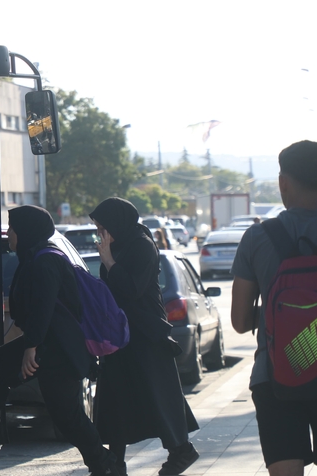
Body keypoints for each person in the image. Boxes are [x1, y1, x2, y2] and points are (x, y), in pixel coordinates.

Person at [0, 205, 122, 476]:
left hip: (58, 350)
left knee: (68, 417)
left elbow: (44, 308)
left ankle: (106, 465)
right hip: (50, 346)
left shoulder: (45, 260)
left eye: (13, 228)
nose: (10, 235)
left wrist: (31, 347)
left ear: (26, 230)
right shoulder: (34, 257)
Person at [90, 198, 199, 476]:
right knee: (117, 398)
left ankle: (181, 452)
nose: (100, 234)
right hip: (121, 335)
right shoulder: (120, 245)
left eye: (103, 227)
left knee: (158, 396)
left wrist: (109, 261)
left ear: (117, 223)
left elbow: (131, 289)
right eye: (98, 228)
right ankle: (115, 463)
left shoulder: (141, 245)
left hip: (146, 334)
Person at [230, 140, 317, 476]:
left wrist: (280, 313)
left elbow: (239, 321)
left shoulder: (258, 237)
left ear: (283, 183)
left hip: (276, 375)